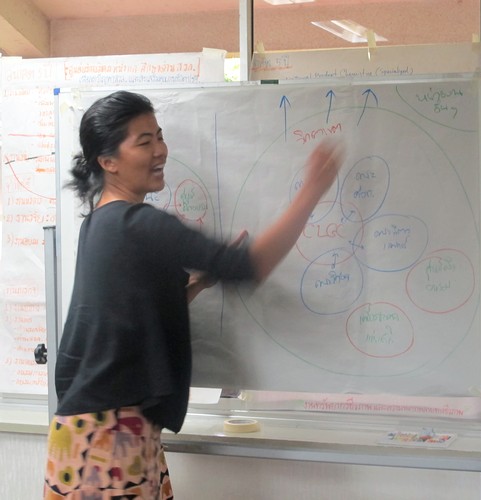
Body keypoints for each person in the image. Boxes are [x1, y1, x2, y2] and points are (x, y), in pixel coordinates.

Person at [43, 90, 344, 499]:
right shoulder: (139, 224)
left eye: (159, 136)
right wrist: (312, 192)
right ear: (108, 161)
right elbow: (248, 265)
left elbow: (127, 318)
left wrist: (195, 285)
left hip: (92, 431)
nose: (160, 150)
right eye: (144, 142)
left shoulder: (99, 224)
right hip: (108, 439)